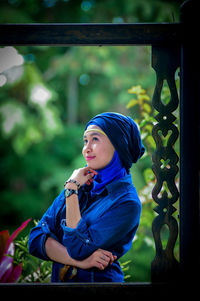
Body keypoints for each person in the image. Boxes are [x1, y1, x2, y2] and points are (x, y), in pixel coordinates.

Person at [28, 112, 145, 282]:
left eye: (95, 139)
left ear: (119, 143)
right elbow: (36, 239)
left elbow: (78, 248)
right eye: (85, 141)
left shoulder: (127, 202)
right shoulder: (78, 186)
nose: (86, 149)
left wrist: (71, 190)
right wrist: (82, 262)